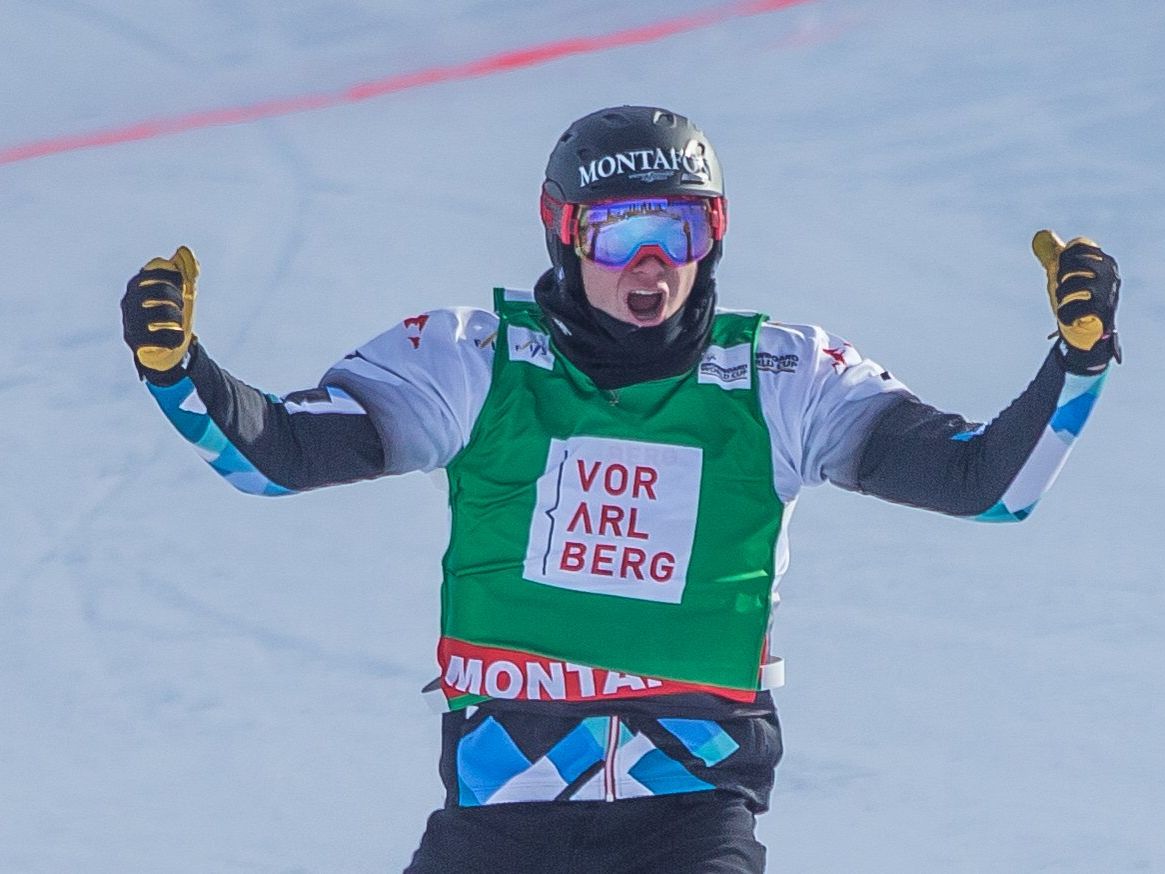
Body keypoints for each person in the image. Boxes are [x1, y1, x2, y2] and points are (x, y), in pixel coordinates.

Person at [120, 105, 1121, 873]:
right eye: (619, 235)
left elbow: (983, 484)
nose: (651, 267)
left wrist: (1074, 366)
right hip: (499, 828)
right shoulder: (474, 365)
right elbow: (280, 454)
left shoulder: (783, 381)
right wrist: (183, 373)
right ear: (562, 234)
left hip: (686, 823)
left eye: (679, 233)